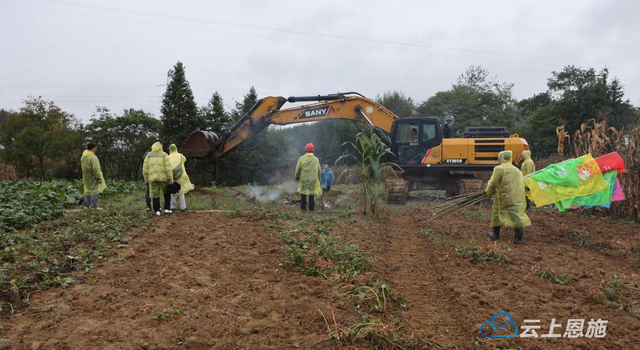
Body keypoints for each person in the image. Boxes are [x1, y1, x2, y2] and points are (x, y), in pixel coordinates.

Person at [485, 150, 531, 244]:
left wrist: (488, 192)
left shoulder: (499, 168)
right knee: (516, 215)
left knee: (497, 212)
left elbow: (494, 182)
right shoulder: (517, 170)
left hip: (503, 196)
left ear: (500, 158)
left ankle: (495, 234)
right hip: (517, 196)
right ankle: (518, 239)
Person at [143, 141, 174, 216]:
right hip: (163, 178)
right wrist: (170, 178)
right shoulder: (164, 155)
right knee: (166, 193)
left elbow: (145, 167)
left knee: (155, 194)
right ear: (161, 147)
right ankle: (167, 208)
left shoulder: (148, 155)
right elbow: (168, 168)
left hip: (152, 178)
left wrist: (145, 177)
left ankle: (157, 210)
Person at [168, 144, 195, 212]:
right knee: (181, 191)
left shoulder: (168, 157)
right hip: (181, 175)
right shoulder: (180, 155)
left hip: (173, 176)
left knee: (173, 191)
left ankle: (172, 207)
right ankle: (183, 207)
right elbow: (184, 160)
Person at [295, 143, 322, 211]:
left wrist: (297, 176)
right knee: (311, 193)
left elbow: (298, 169)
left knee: (303, 193)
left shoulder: (301, 158)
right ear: (313, 150)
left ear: (305, 149)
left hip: (304, 179)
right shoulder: (316, 159)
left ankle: (303, 206)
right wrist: (318, 177)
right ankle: (311, 207)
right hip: (313, 179)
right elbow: (319, 169)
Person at [81, 143, 106, 210]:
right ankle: (93, 206)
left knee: (87, 190)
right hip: (93, 176)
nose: (96, 149)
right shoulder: (93, 157)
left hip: (86, 176)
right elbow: (96, 168)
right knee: (94, 190)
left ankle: (86, 206)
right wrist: (98, 177)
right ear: (93, 148)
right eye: (96, 148)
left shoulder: (83, 156)